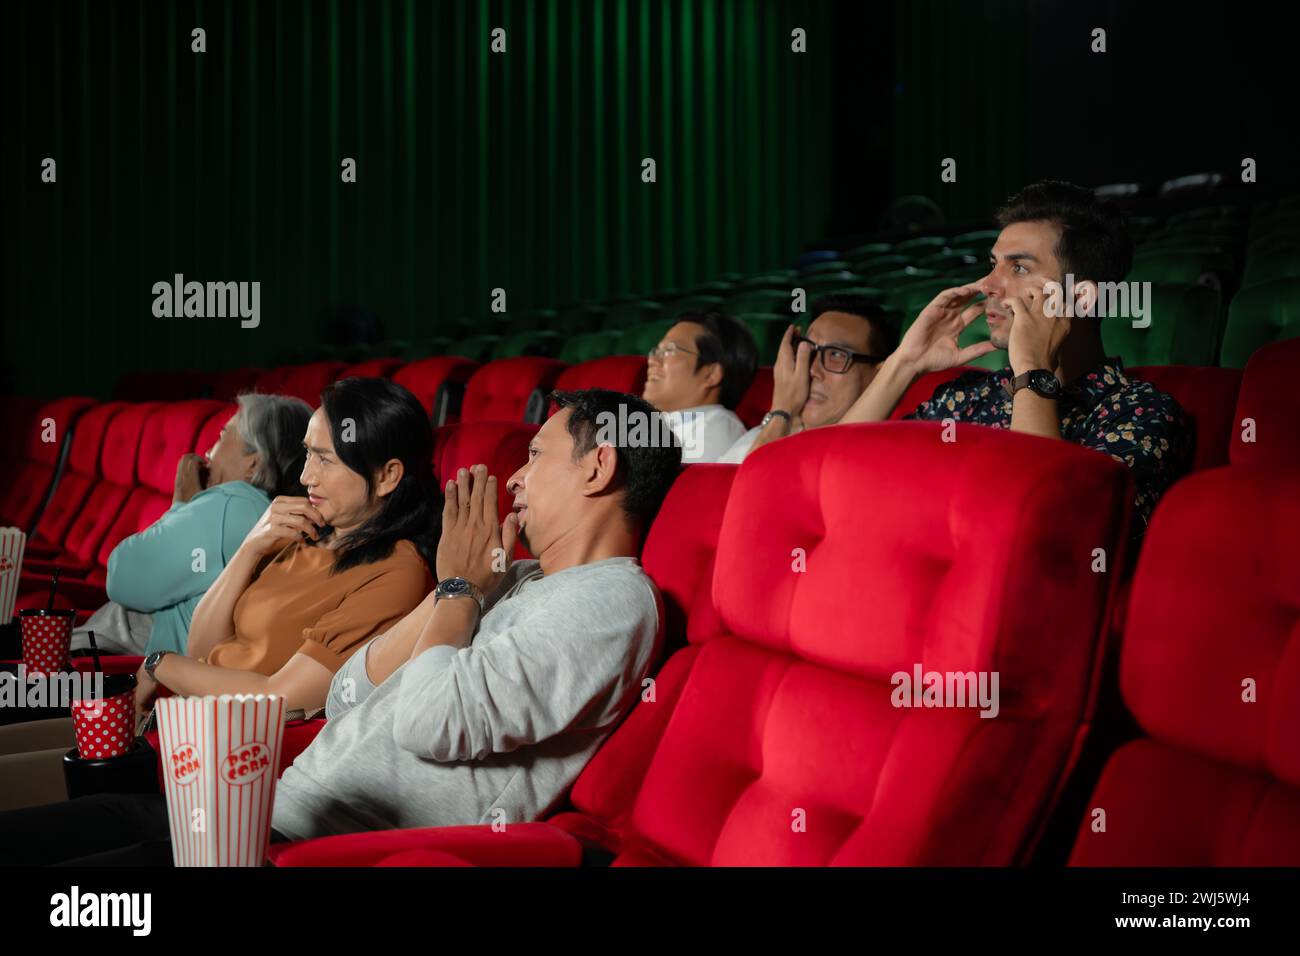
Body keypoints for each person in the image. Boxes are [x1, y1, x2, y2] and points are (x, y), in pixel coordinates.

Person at [0, 388, 681, 865]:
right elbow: (352, 690)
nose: (516, 480)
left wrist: (455, 588)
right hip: (263, 810)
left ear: (599, 466)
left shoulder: (611, 603)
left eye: (535, 455)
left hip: (307, 850)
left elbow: (427, 721)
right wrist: (463, 589)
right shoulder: (521, 578)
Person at [838, 181, 1191, 538]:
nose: (988, 284)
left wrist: (1033, 371)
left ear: (1082, 299)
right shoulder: (969, 396)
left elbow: (1051, 533)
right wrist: (904, 363)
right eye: (993, 265)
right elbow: (835, 479)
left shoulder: (1142, 412)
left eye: (1018, 268)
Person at [72, 393, 312, 657]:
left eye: (223, 435)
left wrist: (180, 503)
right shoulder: (271, 515)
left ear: (253, 462)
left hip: (105, 664)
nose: (208, 452)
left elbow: (120, 578)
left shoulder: (231, 503)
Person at [719, 295, 898, 462]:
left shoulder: (883, 452)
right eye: (809, 351)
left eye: (836, 354)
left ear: (879, 374)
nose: (812, 370)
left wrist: (781, 411)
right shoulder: (763, 435)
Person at [642, 312, 757, 462]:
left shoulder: (717, 427)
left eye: (669, 350)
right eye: (656, 351)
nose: (652, 360)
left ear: (711, 374)